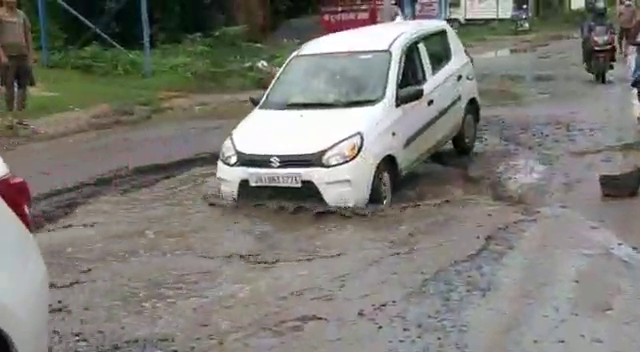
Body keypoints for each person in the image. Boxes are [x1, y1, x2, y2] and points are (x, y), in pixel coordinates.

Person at [0, 0, 34, 115]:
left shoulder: (21, 15)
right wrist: (2, 55)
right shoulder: (1, 15)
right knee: (9, 84)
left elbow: (28, 34)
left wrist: (31, 54)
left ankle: (20, 112)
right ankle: (10, 113)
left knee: (23, 84)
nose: (12, 1)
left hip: (22, 54)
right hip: (8, 56)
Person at [581, 0, 615, 71]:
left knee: (613, 45)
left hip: (603, 37)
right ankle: (587, 60)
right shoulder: (590, 18)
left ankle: (612, 58)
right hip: (594, 37)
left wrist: (612, 31)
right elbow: (586, 26)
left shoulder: (606, 18)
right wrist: (586, 34)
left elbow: (610, 26)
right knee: (586, 45)